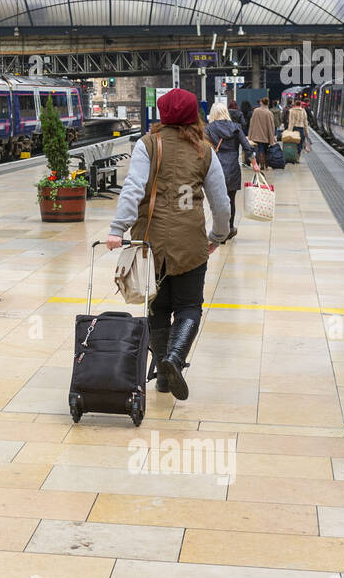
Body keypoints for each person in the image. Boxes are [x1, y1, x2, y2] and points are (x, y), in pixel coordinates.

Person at [107, 88, 230, 401]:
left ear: (162, 114)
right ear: (193, 115)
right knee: (189, 306)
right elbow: (221, 203)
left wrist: (116, 228)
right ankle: (174, 359)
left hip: (152, 243)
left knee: (158, 307)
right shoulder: (205, 150)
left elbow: (133, 189)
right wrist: (218, 235)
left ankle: (163, 374)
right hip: (191, 243)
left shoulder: (148, 144)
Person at [205, 103, 259, 239]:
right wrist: (254, 163)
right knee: (231, 200)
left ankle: (218, 230)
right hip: (233, 169)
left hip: (215, 169)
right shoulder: (236, 127)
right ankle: (229, 229)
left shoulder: (209, 129)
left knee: (217, 201)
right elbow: (247, 147)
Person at [248, 96, 276, 167]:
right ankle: (265, 164)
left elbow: (252, 123)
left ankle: (262, 164)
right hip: (266, 135)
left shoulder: (256, 111)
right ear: (268, 103)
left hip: (257, 134)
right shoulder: (269, 113)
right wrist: (272, 137)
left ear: (261, 103)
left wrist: (250, 135)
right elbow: (271, 126)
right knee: (265, 149)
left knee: (260, 149)